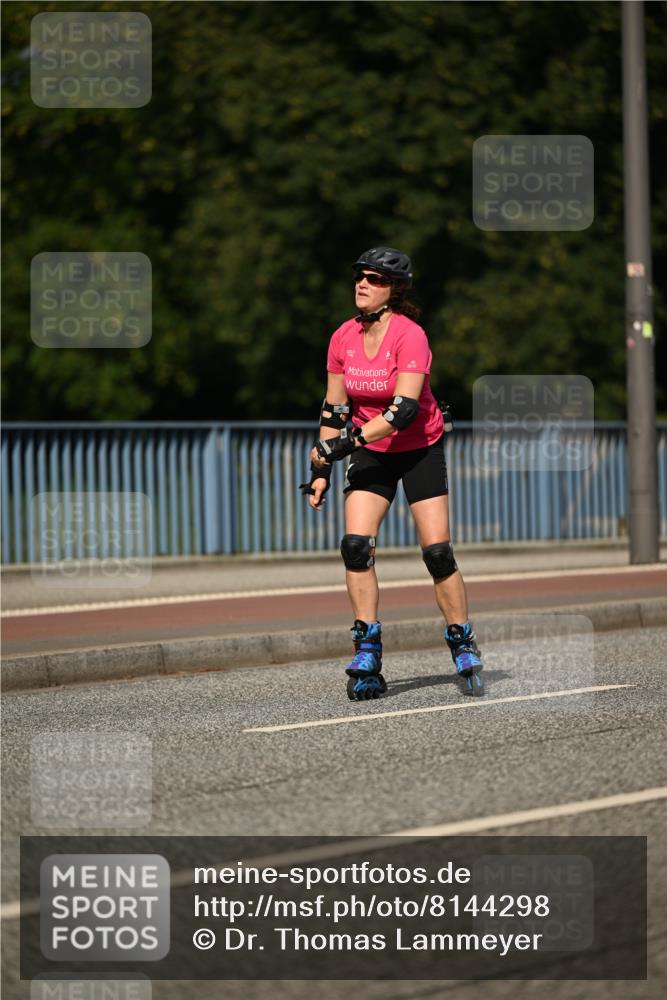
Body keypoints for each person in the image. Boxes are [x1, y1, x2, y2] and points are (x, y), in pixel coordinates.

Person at [300, 247, 483, 700]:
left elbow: (402, 411)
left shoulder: (410, 335)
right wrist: (321, 468)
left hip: (418, 446)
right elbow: (335, 409)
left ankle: (461, 641)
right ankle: (367, 652)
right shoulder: (343, 337)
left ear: (395, 290)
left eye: (375, 279)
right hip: (371, 450)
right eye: (360, 276)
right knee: (355, 547)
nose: (363, 284)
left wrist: (344, 445)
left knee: (437, 553)